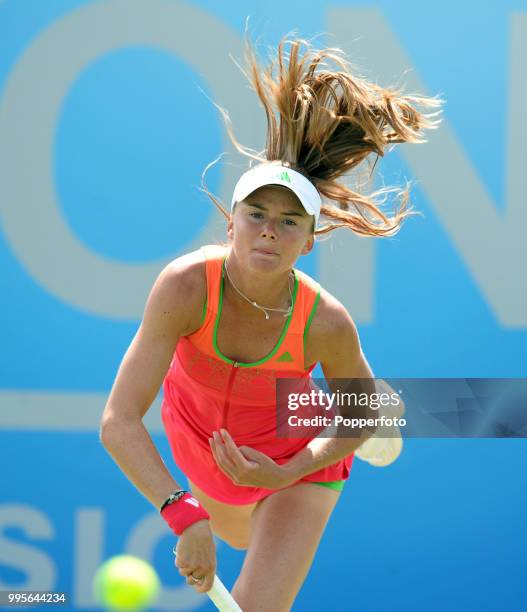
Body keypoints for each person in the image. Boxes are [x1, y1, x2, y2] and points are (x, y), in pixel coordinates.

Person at [100, 35, 441, 611]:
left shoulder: (325, 321)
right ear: (229, 223)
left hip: (294, 462)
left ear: (309, 241)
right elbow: (118, 420)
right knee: (233, 531)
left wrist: (293, 470)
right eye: (255, 214)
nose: (268, 230)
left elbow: (347, 431)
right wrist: (185, 514)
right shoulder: (184, 287)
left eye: (288, 223)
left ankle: (350, 406)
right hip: (208, 457)